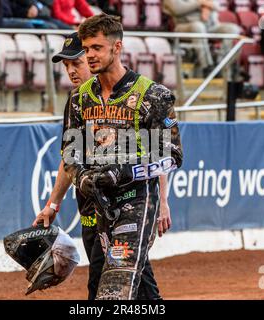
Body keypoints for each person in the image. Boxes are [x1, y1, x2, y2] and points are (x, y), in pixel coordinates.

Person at [33, 32, 172, 300]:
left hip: (127, 203)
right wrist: (52, 204)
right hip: (89, 204)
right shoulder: (78, 101)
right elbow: (69, 157)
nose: (71, 71)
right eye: (66, 66)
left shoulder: (130, 99)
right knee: (129, 277)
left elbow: (155, 150)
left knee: (105, 277)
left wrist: (161, 201)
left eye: (77, 62)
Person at [62, 14, 182, 300]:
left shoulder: (154, 95)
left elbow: (173, 155)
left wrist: (128, 171)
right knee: (131, 287)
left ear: (117, 48)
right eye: (87, 48)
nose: (90, 54)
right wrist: (82, 178)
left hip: (138, 201)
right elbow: (70, 153)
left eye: (97, 48)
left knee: (114, 288)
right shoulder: (80, 98)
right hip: (99, 206)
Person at [163, 0, 240, 76]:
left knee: (233, 29)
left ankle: (221, 65)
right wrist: (200, 3)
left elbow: (218, 6)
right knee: (198, 26)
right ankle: (207, 66)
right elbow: (177, 9)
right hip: (184, 26)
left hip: (211, 26)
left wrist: (206, 7)